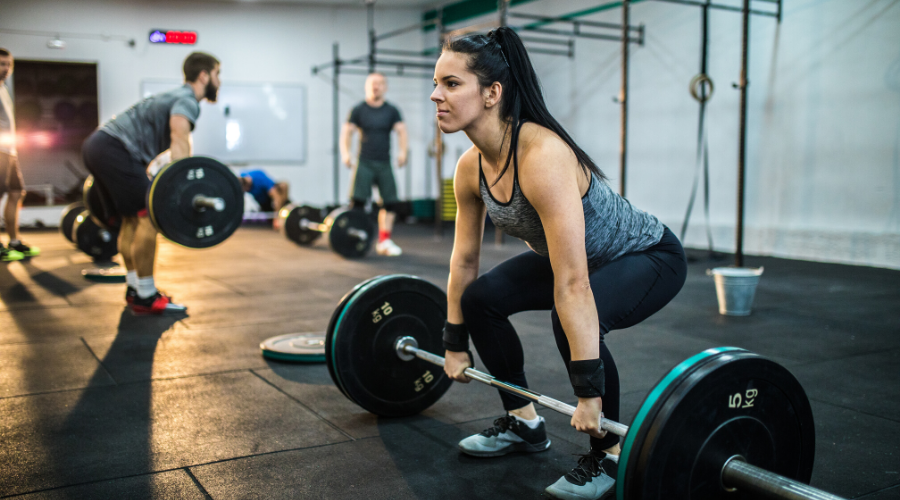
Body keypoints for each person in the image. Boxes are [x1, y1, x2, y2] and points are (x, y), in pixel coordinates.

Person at [431, 28, 688, 500]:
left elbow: (572, 285)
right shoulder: (470, 167)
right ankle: (524, 422)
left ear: (492, 94)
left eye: (450, 84)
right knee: (481, 299)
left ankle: (610, 452)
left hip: (645, 255)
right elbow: (463, 261)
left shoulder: (541, 155)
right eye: (436, 83)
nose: (435, 95)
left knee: (568, 317)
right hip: (576, 262)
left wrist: (588, 394)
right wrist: (453, 340)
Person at [81, 52, 221, 314]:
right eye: (217, 74)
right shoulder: (187, 99)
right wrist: (183, 183)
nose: (218, 81)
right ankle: (146, 296)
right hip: (114, 148)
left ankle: (135, 288)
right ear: (204, 75)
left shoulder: (171, 95)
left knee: (131, 219)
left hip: (97, 145)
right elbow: (179, 134)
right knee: (149, 218)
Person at [339, 72, 408, 256]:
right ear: (366, 87)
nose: (376, 87)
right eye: (372, 83)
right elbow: (347, 132)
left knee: (390, 204)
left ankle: (384, 240)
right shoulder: (358, 110)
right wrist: (346, 154)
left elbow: (401, 131)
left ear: (385, 87)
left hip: (384, 163)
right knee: (358, 203)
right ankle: (353, 237)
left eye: (379, 83)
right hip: (364, 162)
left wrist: (403, 152)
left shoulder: (391, 111)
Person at [0, 47, 39, 262]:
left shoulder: (4, 89)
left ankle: (14, 241)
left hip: (9, 151)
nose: (5, 68)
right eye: (1, 64)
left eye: (8, 64)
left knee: (17, 193)